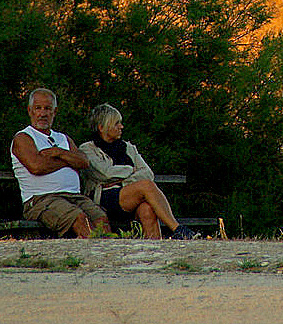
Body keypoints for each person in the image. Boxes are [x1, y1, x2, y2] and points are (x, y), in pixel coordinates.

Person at [78, 103, 200, 240]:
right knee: (146, 186)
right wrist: (131, 170)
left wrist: (125, 182)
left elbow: (148, 173)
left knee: (147, 208)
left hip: (128, 194)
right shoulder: (87, 149)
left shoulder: (128, 148)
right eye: (117, 123)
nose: (121, 127)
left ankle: (155, 249)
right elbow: (105, 173)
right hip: (104, 198)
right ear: (102, 127)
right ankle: (178, 229)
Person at [10, 88, 110, 238]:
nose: (43, 113)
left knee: (101, 218)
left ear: (54, 112)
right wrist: (68, 160)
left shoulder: (63, 138)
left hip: (74, 197)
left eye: (48, 109)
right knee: (79, 218)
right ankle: (94, 256)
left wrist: (59, 153)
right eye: (38, 108)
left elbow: (83, 161)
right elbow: (37, 167)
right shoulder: (24, 137)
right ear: (30, 111)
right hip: (42, 199)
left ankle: (107, 254)